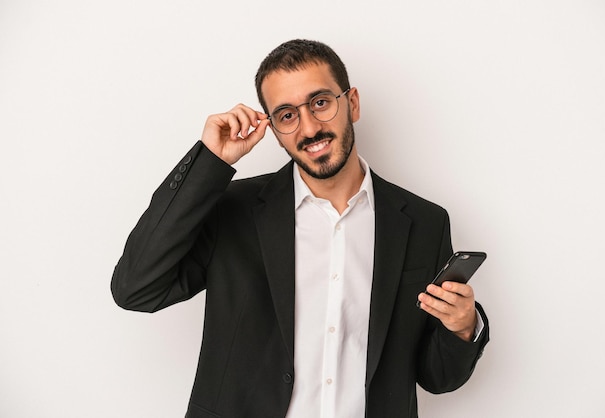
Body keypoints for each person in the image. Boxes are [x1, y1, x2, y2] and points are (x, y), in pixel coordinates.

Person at [111, 39, 489, 418]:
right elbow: (136, 289)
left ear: (352, 103)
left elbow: (437, 377)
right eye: (287, 115)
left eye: (320, 103)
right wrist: (209, 163)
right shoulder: (232, 210)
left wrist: (461, 328)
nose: (309, 127)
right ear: (273, 127)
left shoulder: (424, 222)